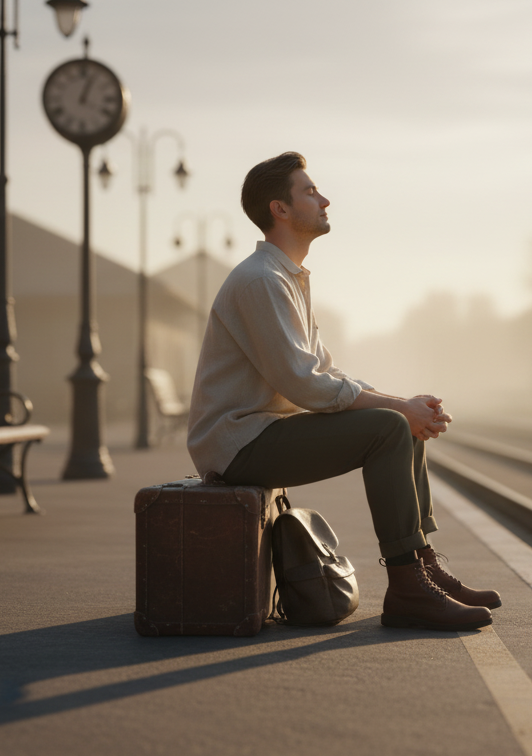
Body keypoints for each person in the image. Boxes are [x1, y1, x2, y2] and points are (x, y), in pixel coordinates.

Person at [187, 152, 499, 632]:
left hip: (262, 433)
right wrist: (398, 408)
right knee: (389, 427)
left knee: (399, 424)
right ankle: (407, 587)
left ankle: (422, 566)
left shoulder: (286, 277)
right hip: (236, 444)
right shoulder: (261, 281)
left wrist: (405, 405)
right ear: (280, 209)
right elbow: (304, 383)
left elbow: (324, 371)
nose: (325, 200)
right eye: (310, 191)